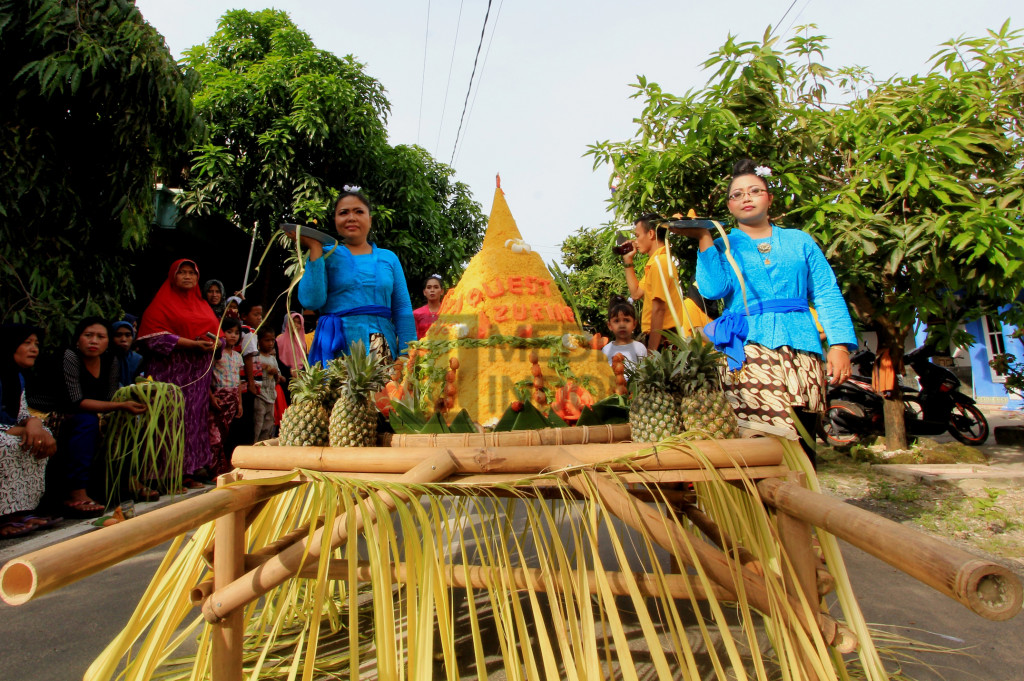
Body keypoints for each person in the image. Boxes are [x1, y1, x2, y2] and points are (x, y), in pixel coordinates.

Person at [684, 158, 857, 462]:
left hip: (802, 346)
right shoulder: (725, 243)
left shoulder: (800, 241)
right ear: (729, 205)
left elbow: (827, 292)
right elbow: (712, 289)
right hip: (748, 348)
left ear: (769, 198)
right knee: (756, 436)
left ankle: (803, 501)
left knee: (802, 433)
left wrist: (840, 344)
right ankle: (759, 506)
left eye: (754, 191)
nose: (746, 198)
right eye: (737, 194)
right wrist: (704, 239)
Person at [292, 187, 415, 363]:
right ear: (335, 220)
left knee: (382, 391)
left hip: (379, 349)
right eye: (344, 212)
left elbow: (402, 308)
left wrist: (406, 353)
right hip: (335, 347)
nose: (351, 218)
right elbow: (311, 302)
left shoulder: (389, 258)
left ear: (370, 219)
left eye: (359, 211)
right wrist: (315, 248)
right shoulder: (325, 255)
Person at [49, 317, 148, 515]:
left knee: (131, 419)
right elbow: (76, 401)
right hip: (59, 412)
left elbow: (110, 395)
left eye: (100, 337)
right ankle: (76, 491)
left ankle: (128, 480)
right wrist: (120, 405)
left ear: (107, 341)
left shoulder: (110, 360)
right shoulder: (69, 357)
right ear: (78, 339)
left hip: (95, 411)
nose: (94, 341)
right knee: (87, 421)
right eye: (88, 336)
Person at [137, 259, 219, 488]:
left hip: (197, 380)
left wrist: (216, 343)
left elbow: (216, 332)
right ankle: (163, 475)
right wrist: (189, 344)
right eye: (181, 273)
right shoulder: (160, 304)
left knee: (193, 422)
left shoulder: (203, 305)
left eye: (191, 273)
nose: (186, 277)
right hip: (170, 376)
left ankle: (189, 471)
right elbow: (151, 338)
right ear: (172, 276)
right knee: (169, 421)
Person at [0, 325, 58, 536]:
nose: (34, 349)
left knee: (41, 438)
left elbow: (23, 413)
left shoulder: (17, 377)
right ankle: (4, 518)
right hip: (4, 434)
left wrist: (33, 423)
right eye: (27, 343)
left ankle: (23, 511)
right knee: (6, 444)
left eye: (36, 344)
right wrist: (17, 430)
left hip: (8, 430)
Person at [623, 213, 711, 351]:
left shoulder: (660, 263)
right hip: (661, 337)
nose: (636, 241)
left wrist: (652, 350)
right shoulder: (656, 263)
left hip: (663, 338)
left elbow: (659, 309)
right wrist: (628, 261)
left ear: (651, 234)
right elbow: (636, 294)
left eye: (638, 235)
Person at [208, 317, 243, 477]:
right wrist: (211, 397)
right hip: (219, 397)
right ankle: (214, 469)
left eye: (236, 333)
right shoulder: (216, 355)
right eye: (229, 332)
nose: (233, 336)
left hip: (233, 398)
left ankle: (224, 468)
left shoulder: (237, 356)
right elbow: (207, 379)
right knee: (215, 436)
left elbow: (238, 382)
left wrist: (240, 404)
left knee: (227, 435)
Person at [253, 327, 284, 442]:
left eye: (272, 340)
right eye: (267, 340)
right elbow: (252, 373)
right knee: (258, 424)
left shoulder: (272, 359)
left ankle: (263, 447)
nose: (270, 344)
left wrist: (276, 374)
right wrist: (262, 368)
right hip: (260, 396)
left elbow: (279, 379)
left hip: (271, 398)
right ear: (259, 341)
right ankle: (254, 447)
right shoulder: (256, 357)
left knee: (268, 425)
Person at [601, 295, 648, 369]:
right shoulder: (606, 350)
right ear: (610, 325)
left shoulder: (640, 348)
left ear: (634, 324)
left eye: (626, 320)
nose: (622, 325)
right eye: (616, 321)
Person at [111, 320, 143, 386]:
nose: (123, 339)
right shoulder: (105, 359)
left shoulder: (138, 359)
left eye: (128, 335)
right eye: (118, 335)